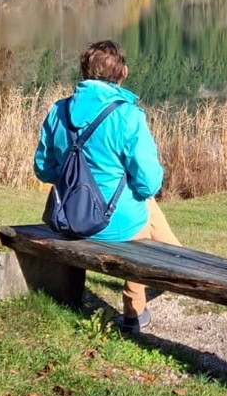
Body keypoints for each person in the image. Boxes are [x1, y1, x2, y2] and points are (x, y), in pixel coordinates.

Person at [33, 39, 180, 332]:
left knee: (141, 204)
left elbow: (43, 169)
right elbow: (149, 181)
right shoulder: (127, 115)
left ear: (84, 72)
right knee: (141, 208)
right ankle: (135, 311)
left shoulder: (58, 111)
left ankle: (175, 258)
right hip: (114, 225)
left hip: (67, 217)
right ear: (123, 73)